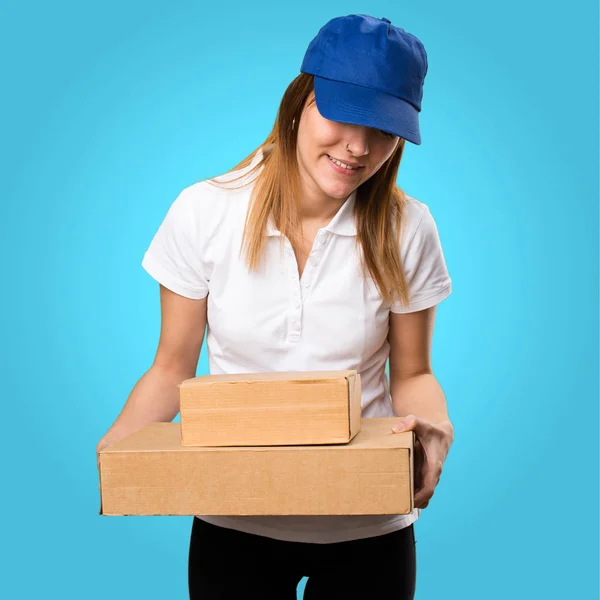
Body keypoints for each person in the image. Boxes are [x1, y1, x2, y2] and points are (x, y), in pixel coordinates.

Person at [96, 13, 455, 600]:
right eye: (344, 115)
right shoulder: (204, 212)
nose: (360, 148)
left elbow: (412, 374)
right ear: (300, 101)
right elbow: (171, 367)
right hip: (232, 517)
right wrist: (122, 451)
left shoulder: (407, 227)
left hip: (368, 523)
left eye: (384, 128)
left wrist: (436, 431)